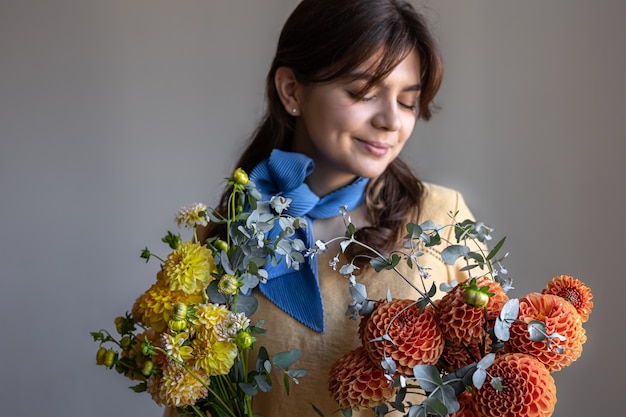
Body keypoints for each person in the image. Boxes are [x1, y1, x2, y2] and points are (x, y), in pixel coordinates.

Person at [166, 0, 479, 415]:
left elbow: (490, 385)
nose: (391, 120)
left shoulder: (441, 216)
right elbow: (192, 403)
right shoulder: (221, 243)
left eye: (407, 101)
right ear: (292, 90)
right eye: (363, 92)